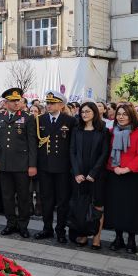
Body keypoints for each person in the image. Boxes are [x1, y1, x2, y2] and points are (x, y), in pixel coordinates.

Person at [104, 104, 138, 254]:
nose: (121, 117)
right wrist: (115, 168)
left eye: (125, 114)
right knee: (116, 207)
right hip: (114, 173)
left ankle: (131, 239)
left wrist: (127, 168)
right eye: (119, 114)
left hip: (132, 176)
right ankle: (118, 238)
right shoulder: (111, 132)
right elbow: (107, 153)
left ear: (131, 116)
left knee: (131, 209)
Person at [34, 91, 78, 244]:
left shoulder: (70, 121)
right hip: (45, 166)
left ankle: (60, 230)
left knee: (62, 201)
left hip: (63, 168)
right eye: (47, 103)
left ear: (61, 105)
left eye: (52, 103)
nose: (49, 105)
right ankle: (47, 228)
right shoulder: (40, 119)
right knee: (46, 200)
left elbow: (73, 145)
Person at [0, 88, 38, 239]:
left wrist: (32, 165)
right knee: (7, 197)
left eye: (18, 100)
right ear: (6, 103)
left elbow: (32, 143)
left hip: (22, 165)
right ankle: (10, 223)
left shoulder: (27, 118)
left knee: (24, 197)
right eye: (13, 101)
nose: (16, 103)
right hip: (4, 164)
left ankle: (23, 225)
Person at [70, 102, 110, 249]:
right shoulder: (76, 130)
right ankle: (83, 234)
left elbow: (104, 153)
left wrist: (93, 173)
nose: (84, 114)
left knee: (97, 206)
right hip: (79, 175)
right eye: (82, 112)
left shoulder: (103, 130)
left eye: (87, 111)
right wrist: (77, 173)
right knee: (81, 206)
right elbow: (72, 152)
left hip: (96, 175)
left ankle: (96, 238)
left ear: (94, 113)